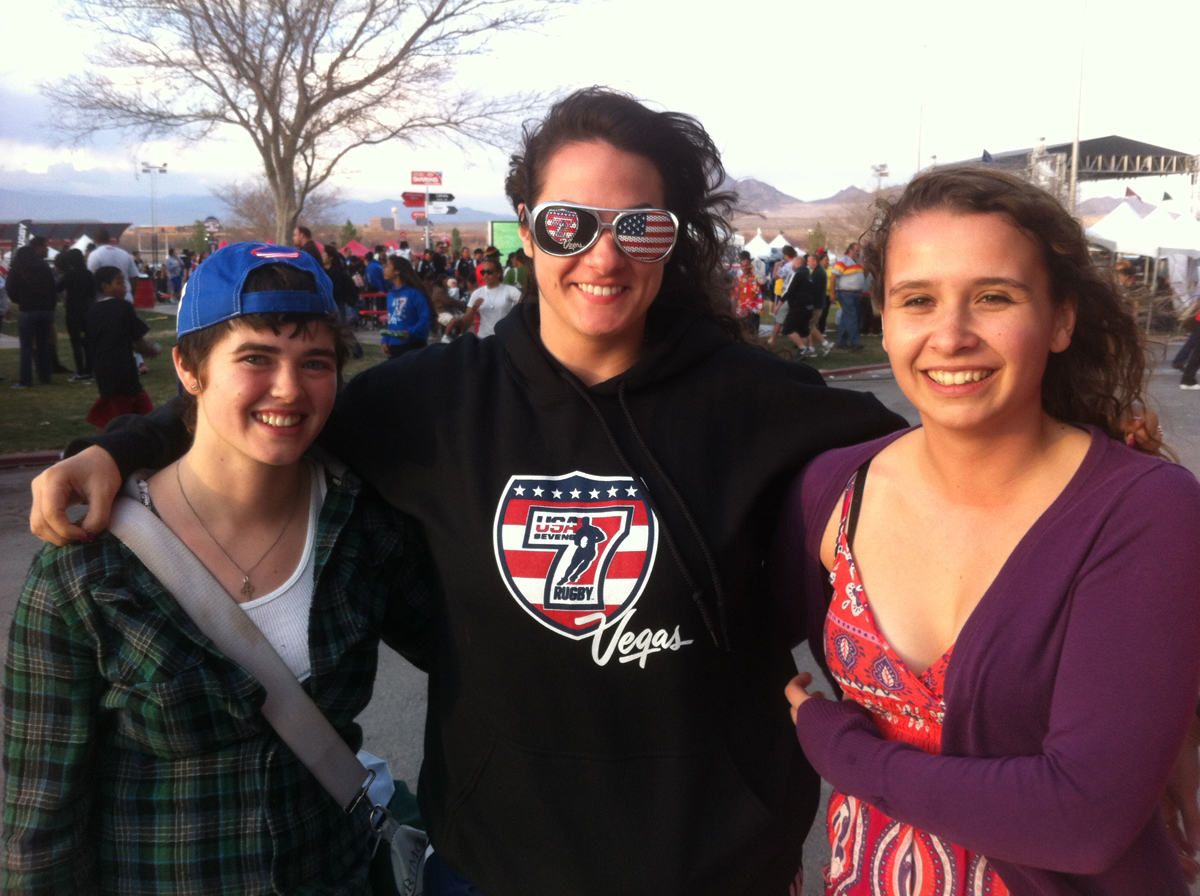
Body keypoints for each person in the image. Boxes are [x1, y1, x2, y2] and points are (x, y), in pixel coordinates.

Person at [28, 88, 906, 896]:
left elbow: (936, 464)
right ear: (527, 227)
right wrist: (123, 447)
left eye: (637, 226)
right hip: (492, 864)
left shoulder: (755, 399)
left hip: (717, 863)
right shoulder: (426, 404)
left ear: (669, 240)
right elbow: (266, 412)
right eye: (571, 223)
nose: (603, 255)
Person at [777, 167, 1200, 894]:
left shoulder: (1140, 509)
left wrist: (838, 748)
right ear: (884, 314)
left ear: (1061, 318)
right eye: (918, 300)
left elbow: (1083, 820)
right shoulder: (834, 493)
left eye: (994, 298)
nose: (951, 335)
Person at [3, 242, 435, 893]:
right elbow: (39, 832)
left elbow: (464, 646)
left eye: (315, 362)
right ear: (188, 367)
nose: (289, 388)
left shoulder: (361, 528)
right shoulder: (87, 568)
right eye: (256, 358)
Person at [84, 266, 161, 429]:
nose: (124, 286)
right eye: (118, 282)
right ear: (105, 286)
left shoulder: (93, 310)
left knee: (138, 407)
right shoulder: (123, 307)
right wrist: (151, 349)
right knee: (121, 418)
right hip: (121, 367)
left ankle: (147, 440)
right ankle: (105, 447)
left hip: (103, 367)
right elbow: (137, 338)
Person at [6, 237, 57, 389]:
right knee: (43, 344)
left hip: (27, 309)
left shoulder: (18, 268)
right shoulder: (44, 266)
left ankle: (26, 380)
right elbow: (53, 288)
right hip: (46, 310)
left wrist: (19, 300)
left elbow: (10, 289)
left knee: (27, 347)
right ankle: (45, 375)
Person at [55, 248, 95, 381]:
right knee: (88, 341)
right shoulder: (88, 274)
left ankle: (81, 371)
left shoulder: (69, 275)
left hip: (73, 311)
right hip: (87, 310)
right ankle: (90, 370)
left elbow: (58, 288)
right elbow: (92, 293)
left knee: (76, 343)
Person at [380, 254, 431, 358]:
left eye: (388, 266)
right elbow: (392, 320)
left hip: (414, 346)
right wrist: (385, 340)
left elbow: (426, 319)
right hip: (394, 347)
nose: (384, 269)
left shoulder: (414, 294)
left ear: (397, 271)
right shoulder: (390, 294)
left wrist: (410, 332)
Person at [461, 257, 520, 338]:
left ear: (498, 273)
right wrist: (474, 308)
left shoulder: (510, 290)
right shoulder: (477, 293)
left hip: (504, 337)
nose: (485, 275)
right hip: (483, 338)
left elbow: (524, 306)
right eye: (483, 272)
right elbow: (466, 322)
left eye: (489, 272)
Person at [832, 241, 865, 350]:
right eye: (857, 250)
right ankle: (855, 342)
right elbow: (834, 275)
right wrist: (833, 292)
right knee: (852, 316)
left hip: (856, 293)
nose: (858, 252)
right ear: (850, 250)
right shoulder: (843, 260)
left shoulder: (858, 262)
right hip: (845, 293)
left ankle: (841, 341)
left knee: (846, 317)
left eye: (859, 250)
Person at [731, 250, 765, 336]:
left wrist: (755, 272)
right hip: (742, 309)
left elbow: (763, 281)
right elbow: (734, 295)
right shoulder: (738, 278)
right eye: (743, 266)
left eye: (747, 265)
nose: (745, 267)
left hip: (754, 308)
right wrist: (733, 309)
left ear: (750, 265)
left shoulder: (756, 275)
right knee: (743, 332)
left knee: (753, 332)